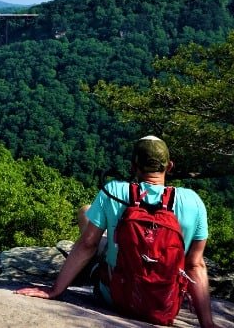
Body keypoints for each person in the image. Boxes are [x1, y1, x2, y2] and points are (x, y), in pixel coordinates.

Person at [15, 135, 216, 328]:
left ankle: (95, 268)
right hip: (163, 306)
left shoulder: (113, 191)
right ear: (169, 166)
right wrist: (207, 323)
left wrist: (55, 290)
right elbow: (194, 264)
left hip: (115, 298)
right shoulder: (193, 202)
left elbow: (87, 245)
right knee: (92, 218)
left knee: (86, 213)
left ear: (133, 166)